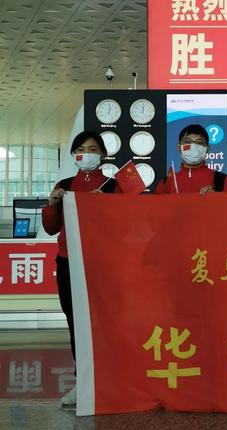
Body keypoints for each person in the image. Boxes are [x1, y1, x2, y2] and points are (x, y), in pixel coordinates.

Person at [42, 131, 118, 408]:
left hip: (103, 265)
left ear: (103, 155)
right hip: (69, 263)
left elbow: (126, 226)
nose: (87, 154)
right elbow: (51, 228)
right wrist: (52, 204)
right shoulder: (64, 186)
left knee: (106, 323)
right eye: (81, 149)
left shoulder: (113, 186)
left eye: (93, 149)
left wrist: (105, 206)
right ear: (75, 155)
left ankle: (111, 382)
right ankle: (83, 383)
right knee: (77, 324)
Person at [154, 124, 227, 194]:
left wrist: (217, 199)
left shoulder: (222, 180)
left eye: (199, 142)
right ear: (179, 147)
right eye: (187, 142)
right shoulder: (165, 184)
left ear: (207, 148)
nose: (193, 146)